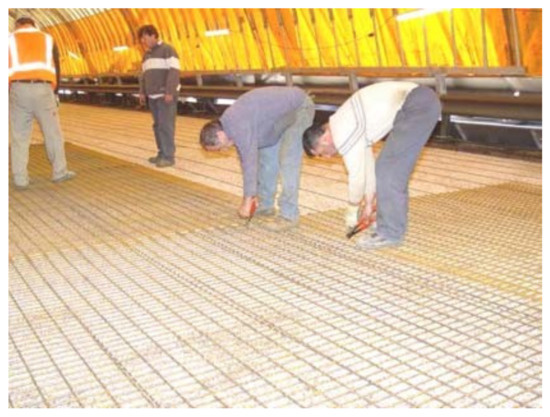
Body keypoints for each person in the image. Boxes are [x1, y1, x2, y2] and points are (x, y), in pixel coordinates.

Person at [302, 81, 441, 249]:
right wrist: (368, 204)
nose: (327, 157)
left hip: (415, 105)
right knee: (384, 168)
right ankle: (387, 222)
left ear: (325, 138)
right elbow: (367, 168)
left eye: (321, 153)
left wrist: (352, 209)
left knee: (389, 171)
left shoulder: (342, 133)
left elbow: (357, 177)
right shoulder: (343, 122)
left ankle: (390, 233)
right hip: (415, 103)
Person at [199, 86, 315, 231]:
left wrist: (247, 200)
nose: (224, 150)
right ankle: (266, 206)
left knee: (288, 162)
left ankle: (289, 215)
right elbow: (247, 159)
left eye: (220, 147)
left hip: (299, 108)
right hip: (275, 122)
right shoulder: (231, 126)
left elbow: (249, 164)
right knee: (267, 163)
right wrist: (250, 198)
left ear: (220, 135)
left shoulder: (236, 124)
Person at [8, 16, 76, 190]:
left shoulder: (9, 39)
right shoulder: (47, 38)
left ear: (17, 25)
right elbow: (57, 67)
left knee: (19, 136)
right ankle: (59, 172)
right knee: (52, 133)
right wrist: (56, 92)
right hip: (43, 89)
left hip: (18, 89)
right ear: (34, 24)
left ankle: (20, 179)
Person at [138, 25, 180, 168]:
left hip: (164, 95)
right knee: (157, 126)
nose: (143, 41)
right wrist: (142, 91)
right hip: (152, 96)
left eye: (145, 38)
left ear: (153, 35)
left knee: (166, 126)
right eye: (142, 39)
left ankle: (168, 157)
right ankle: (161, 153)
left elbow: (174, 71)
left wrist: (169, 91)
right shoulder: (146, 55)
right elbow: (143, 75)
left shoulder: (168, 50)